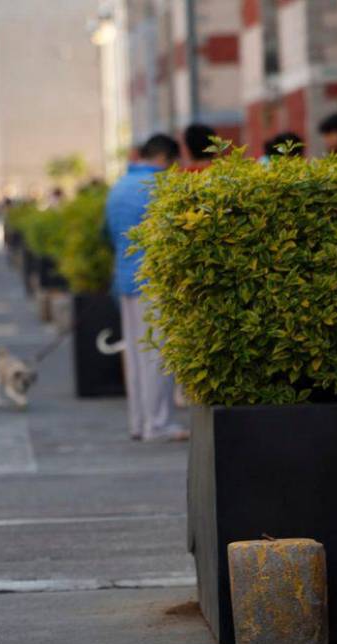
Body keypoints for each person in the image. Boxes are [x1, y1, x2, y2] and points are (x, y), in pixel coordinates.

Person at [105, 133, 187, 443]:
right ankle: (159, 423)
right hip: (154, 280)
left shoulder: (119, 186)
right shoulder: (159, 187)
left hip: (125, 279)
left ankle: (139, 423)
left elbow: (108, 234)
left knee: (136, 357)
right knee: (157, 354)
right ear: (166, 158)